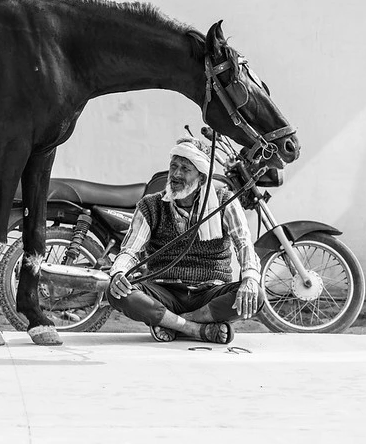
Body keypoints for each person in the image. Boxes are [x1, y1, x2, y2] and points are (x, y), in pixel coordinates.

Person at [106, 136, 264, 344]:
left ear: (202, 178)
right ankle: (196, 330)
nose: (176, 174)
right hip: (164, 291)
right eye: (174, 167)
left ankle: (173, 324)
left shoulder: (225, 201)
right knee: (116, 292)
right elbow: (129, 250)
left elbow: (244, 244)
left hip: (210, 292)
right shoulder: (150, 205)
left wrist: (250, 278)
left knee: (257, 296)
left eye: (185, 169)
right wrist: (118, 273)